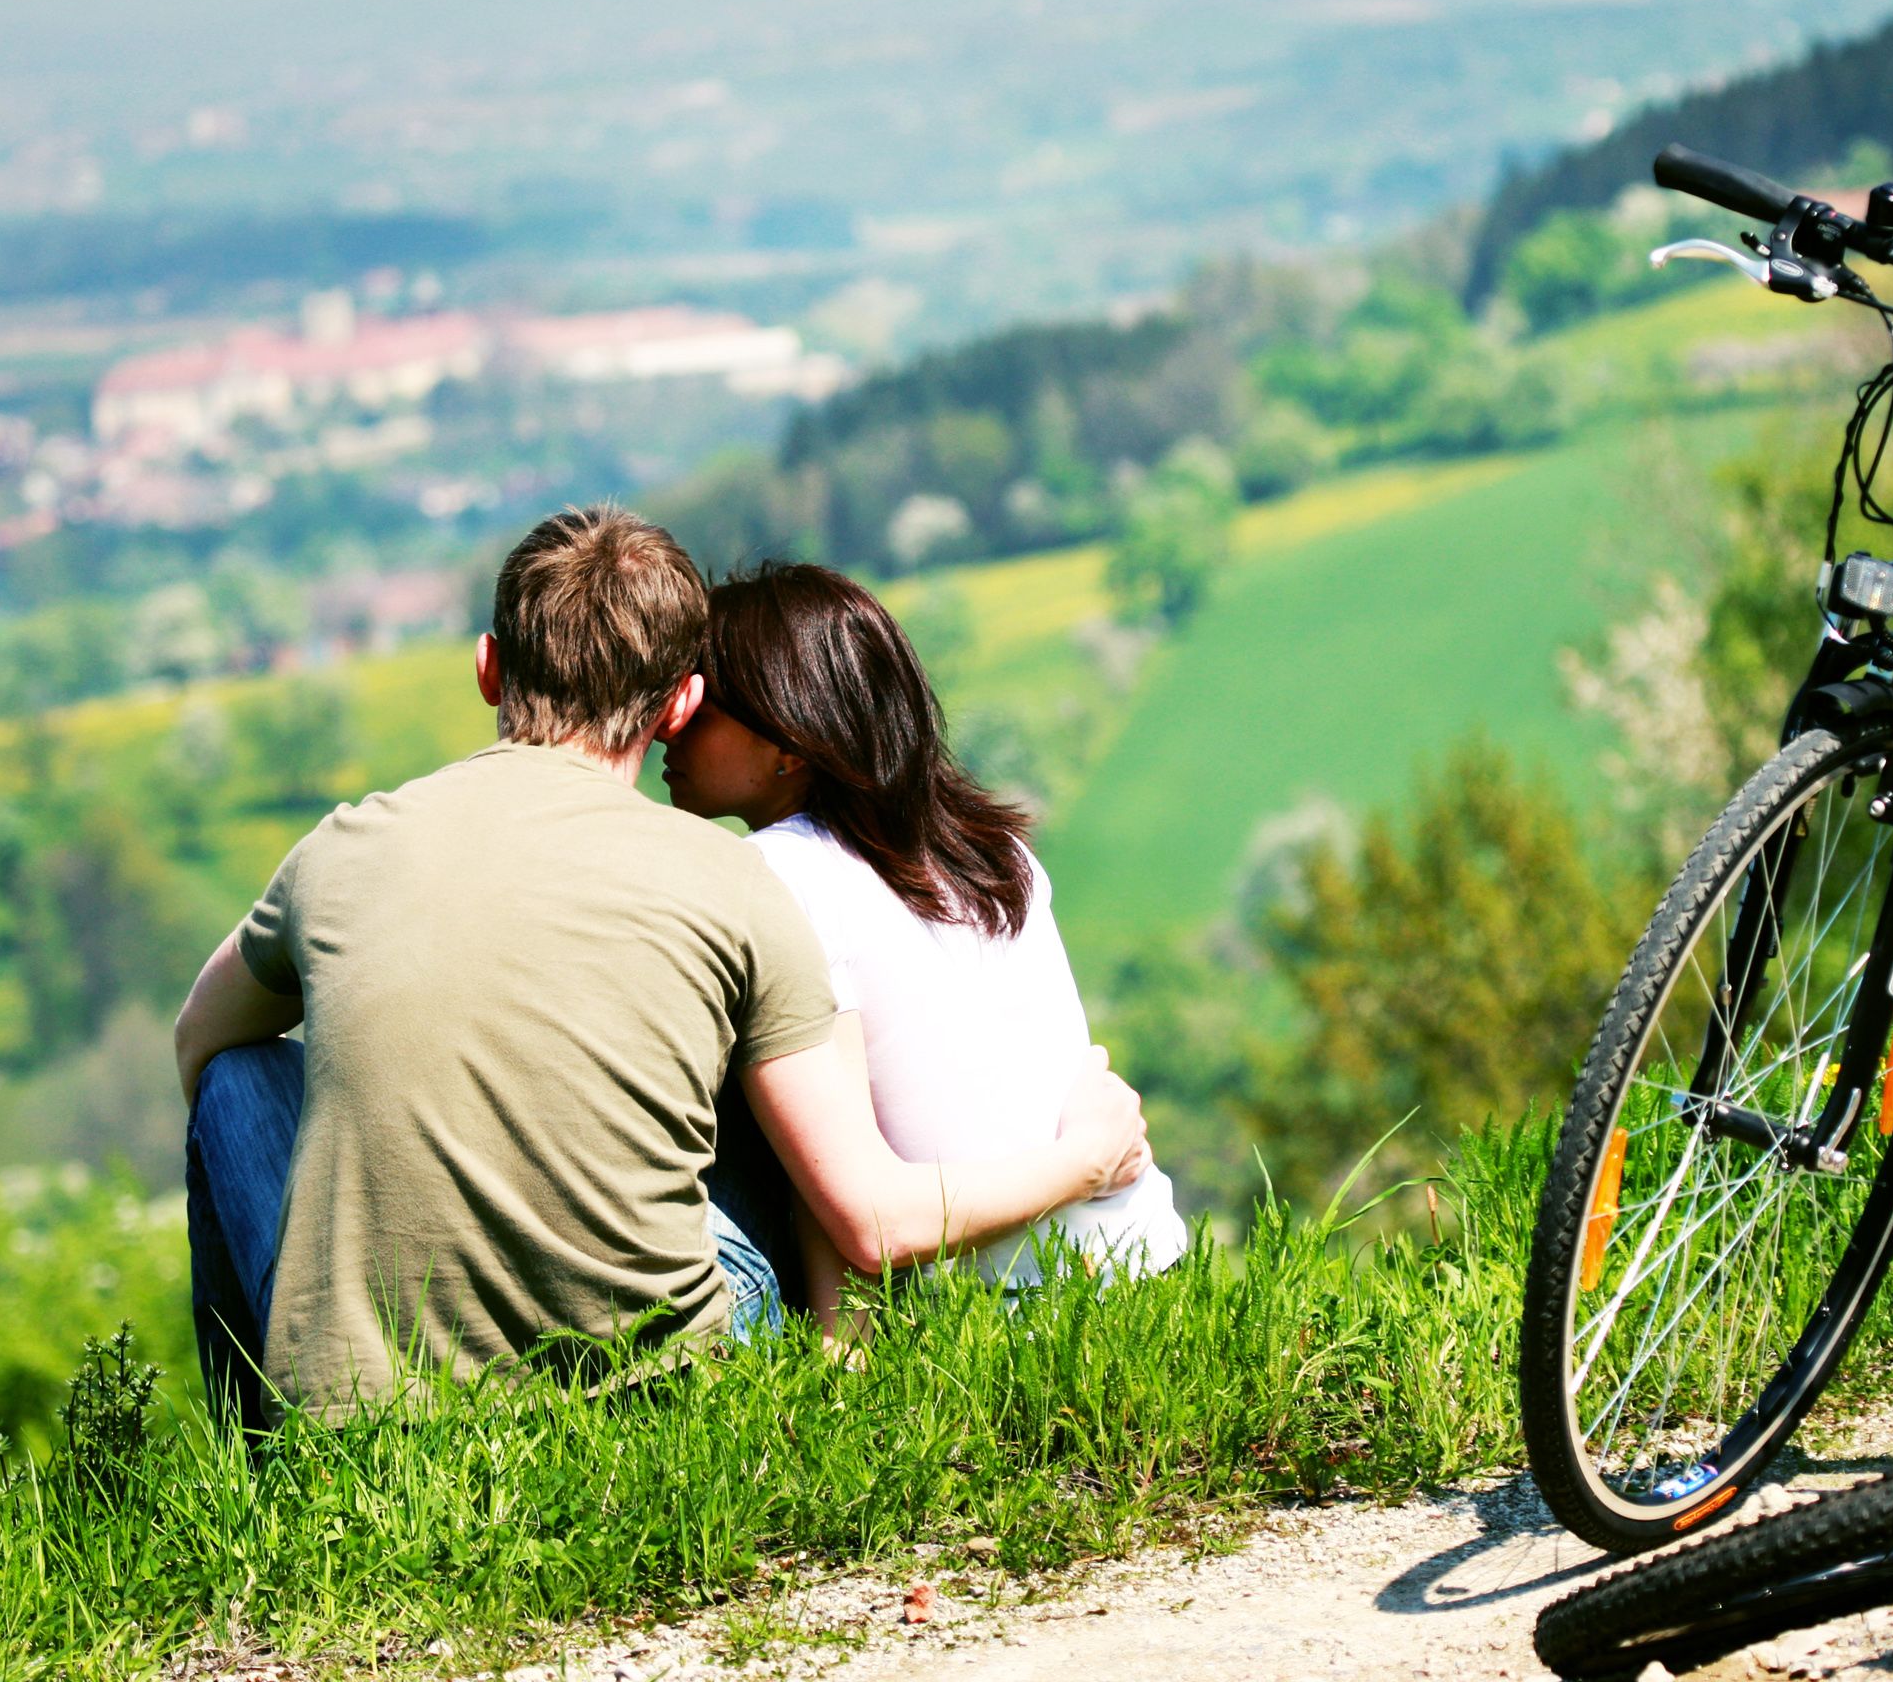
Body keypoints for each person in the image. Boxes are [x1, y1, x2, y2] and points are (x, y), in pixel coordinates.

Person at [174, 507, 1148, 1429]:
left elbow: (199, 1042)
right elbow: (856, 1206)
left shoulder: (342, 849)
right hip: (655, 1380)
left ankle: (273, 1458)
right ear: (679, 700)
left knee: (236, 1080)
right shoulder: (737, 878)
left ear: (487, 668)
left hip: (373, 1411)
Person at [661, 563, 1187, 1332]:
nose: (667, 723)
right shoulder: (993, 851)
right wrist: (1086, 1162)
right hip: (1137, 1261)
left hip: (999, 1319)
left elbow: (866, 1218)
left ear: (786, 741)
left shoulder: (780, 873)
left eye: (699, 704)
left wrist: (844, 1358)